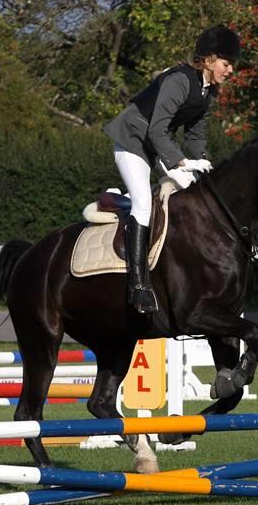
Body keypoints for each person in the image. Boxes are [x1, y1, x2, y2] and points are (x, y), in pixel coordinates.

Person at [103, 24, 241, 314]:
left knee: (192, 199)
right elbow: (157, 129)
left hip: (154, 147)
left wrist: (204, 163)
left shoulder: (208, 91)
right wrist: (180, 163)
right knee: (142, 205)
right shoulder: (179, 79)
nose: (230, 71)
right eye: (227, 64)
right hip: (131, 142)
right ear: (209, 59)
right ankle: (138, 286)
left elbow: (195, 136)